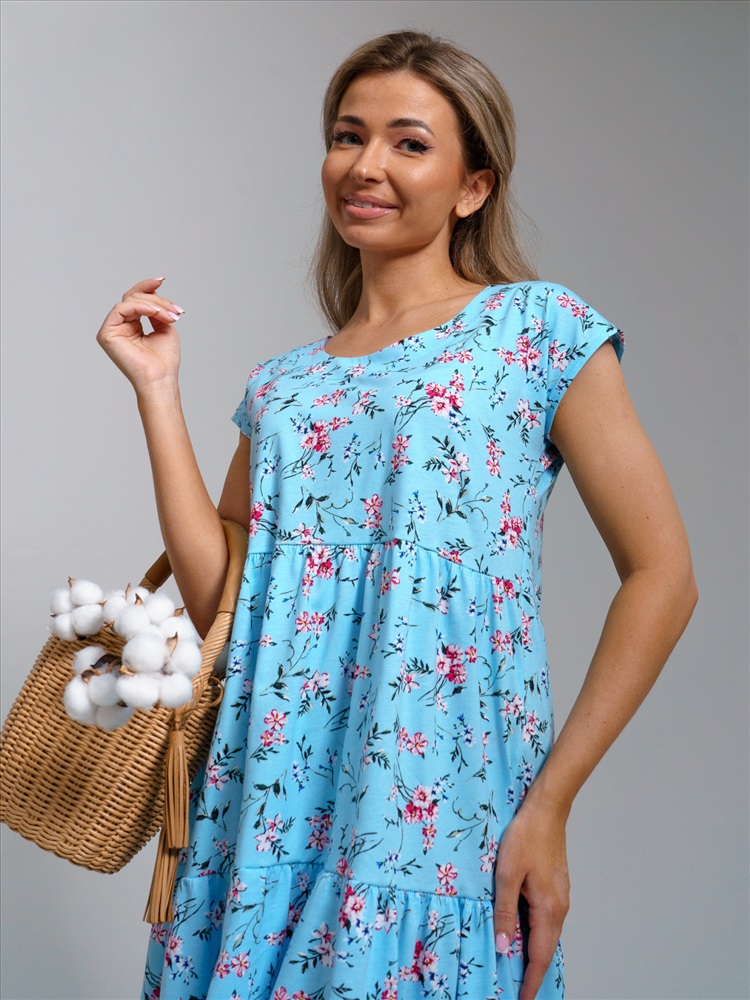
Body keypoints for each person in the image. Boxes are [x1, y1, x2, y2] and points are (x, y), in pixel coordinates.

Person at [97, 29, 697, 1000]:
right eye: (348, 136)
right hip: (263, 807)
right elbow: (226, 608)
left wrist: (551, 805)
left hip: (437, 810)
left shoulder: (536, 331)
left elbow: (664, 577)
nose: (365, 165)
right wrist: (158, 393)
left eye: (409, 143)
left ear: (473, 186)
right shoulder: (284, 385)